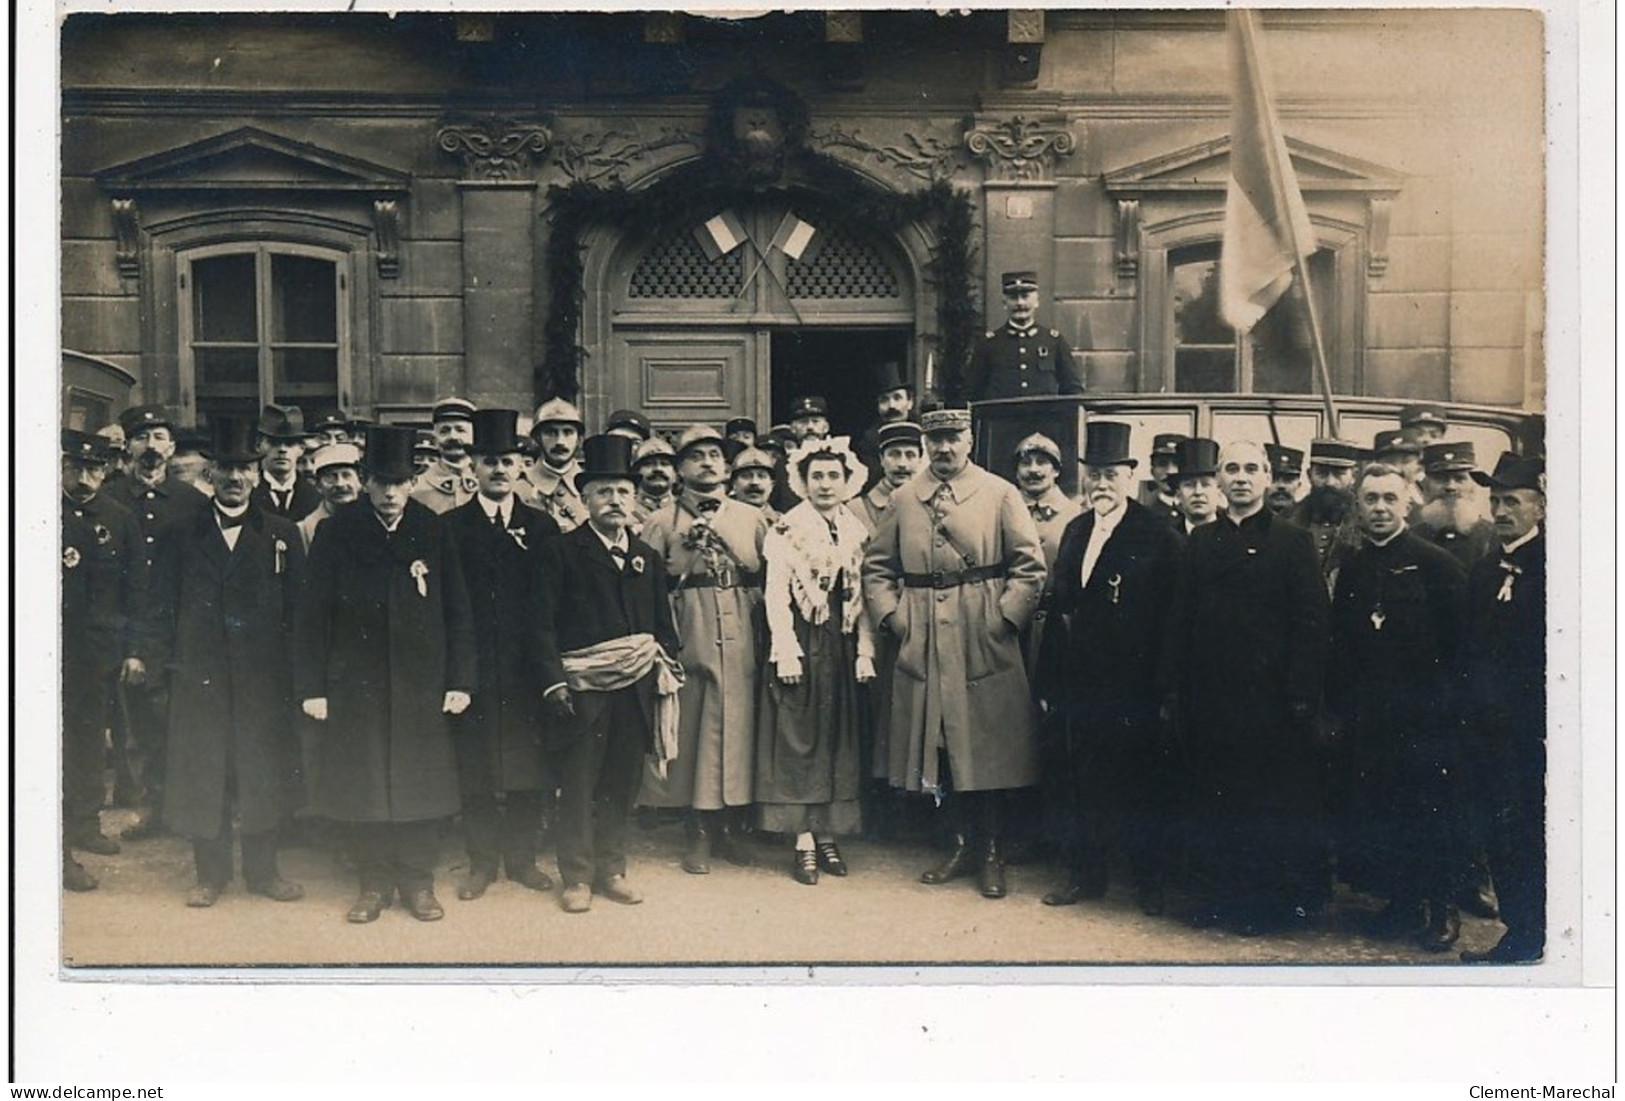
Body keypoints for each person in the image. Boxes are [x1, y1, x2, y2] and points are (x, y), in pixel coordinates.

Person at [861, 406, 1047, 899]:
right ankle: (961, 844)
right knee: (938, 742)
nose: (944, 448)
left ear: (970, 439)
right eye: (936, 438)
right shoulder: (903, 498)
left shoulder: (1000, 492)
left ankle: (991, 852)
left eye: (954, 437)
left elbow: (1029, 565)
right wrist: (894, 618)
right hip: (921, 630)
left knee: (987, 743)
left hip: (981, 628)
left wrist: (1006, 618)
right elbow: (876, 568)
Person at [295, 425, 477, 923]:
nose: (391, 493)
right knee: (365, 784)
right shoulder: (338, 531)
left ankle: (419, 883)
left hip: (422, 682)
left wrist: (461, 679)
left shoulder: (433, 528)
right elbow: (312, 616)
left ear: (413, 479)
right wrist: (312, 687)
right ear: (366, 481)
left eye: (400, 482)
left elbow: (459, 609)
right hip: (356, 683)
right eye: (381, 482)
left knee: (422, 784)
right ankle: (373, 883)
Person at [1161, 440, 1329, 936]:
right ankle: (1220, 899)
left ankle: (1266, 906)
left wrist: (1301, 693)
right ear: (1218, 479)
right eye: (1231, 469)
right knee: (1215, 800)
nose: (1241, 478)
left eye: (1251, 469)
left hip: (1270, 701)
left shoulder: (1293, 541)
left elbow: (1311, 622)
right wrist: (1172, 688)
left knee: (1266, 805)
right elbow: (1180, 618)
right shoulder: (1200, 541)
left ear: (1267, 477)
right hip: (1211, 698)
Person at [143, 415, 307, 908]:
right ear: (209, 475)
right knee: (204, 771)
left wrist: (297, 681)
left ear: (256, 476)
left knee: (262, 772)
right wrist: (161, 669)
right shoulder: (181, 532)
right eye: (226, 469)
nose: (236, 479)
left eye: (245, 470)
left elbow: (298, 614)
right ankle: (209, 875)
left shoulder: (280, 534)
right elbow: (161, 606)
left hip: (263, 680)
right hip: (201, 675)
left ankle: (264, 872)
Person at [1034, 421, 1182, 915]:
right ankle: (1086, 875)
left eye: (1111, 474)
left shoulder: (1156, 532)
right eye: (1094, 474)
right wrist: (1050, 679)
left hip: (1132, 681)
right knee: (1082, 781)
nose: (1102, 484)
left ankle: (1150, 883)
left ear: (1129, 476)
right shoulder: (1076, 529)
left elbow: (1172, 614)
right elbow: (1061, 608)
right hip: (1081, 679)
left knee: (1140, 782)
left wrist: (1162, 685)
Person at [536, 435, 683, 913]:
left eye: (623, 492)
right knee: (578, 784)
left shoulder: (647, 557)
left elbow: (663, 626)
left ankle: (612, 869)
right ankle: (576, 877)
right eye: (603, 492)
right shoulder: (560, 552)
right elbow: (539, 625)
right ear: (585, 499)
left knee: (621, 784)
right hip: (583, 691)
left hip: (635, 692)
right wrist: (554, 681)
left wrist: (663, 666)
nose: (615, 501)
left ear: (635, 498)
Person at [1326, 463, 1469, 952]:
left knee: (1430, 815)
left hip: (1426, 720)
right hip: (1372, 720)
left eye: (1390, 498)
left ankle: (1442, 909)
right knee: (1384, 815)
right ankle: (1403, 903)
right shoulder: (1355, 566)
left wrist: (1448, 714)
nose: (1380, 509)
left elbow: (1460, 650)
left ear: (1407, 502)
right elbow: (1342, 644)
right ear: (1359, 507)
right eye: (1371, 500)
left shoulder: (1437, 564)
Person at [639, 425, 769, 874]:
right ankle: (696, 827)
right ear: (679, 469)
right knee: (694, 721)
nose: (708, 463)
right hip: (689, 619)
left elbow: (767, 574)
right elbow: (646, 584)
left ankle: (731, 825)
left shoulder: (752, 517)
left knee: (738, 720)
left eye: (715, 455)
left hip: (740, 615)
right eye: (696, 457)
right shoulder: (660, 522)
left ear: (727, 466)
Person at [444, 409, 562, 900]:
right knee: (475, 768)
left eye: (507, 461)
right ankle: (481, 862)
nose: (498, 469)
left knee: (526, 767)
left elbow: (552, 603)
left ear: (520, 466)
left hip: (525, 666)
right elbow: (449, 605)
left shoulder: (541, 526)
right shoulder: (450, 526)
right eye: (488, 460)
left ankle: (521, 858)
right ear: (471, 466)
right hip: (471, 665)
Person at [756, 436, 877, 884]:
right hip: (804, 639)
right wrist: (785, 647)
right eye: (817, 476)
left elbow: (860, 596)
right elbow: (775, 595)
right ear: (803, 482)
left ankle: (828, 832)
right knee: (799, 735)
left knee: (836, 735)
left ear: (848, 481)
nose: (825, 484)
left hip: (841, 640)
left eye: (833, 476)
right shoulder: (787, 529)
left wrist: (865, 649)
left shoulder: (855, 529)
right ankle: (802, 838)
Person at [105, 403, 212, 841]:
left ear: (172, 448)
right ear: (128, 446)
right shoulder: (109, 496)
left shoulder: (191, 502)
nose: (152, 447)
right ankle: (150, 808)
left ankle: (186, 810)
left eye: (160, 438)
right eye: (143, 438)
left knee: (184, 722)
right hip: (127, 629)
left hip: (179, 628)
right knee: (139, 727)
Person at [1459, 453, 1546, 964]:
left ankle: (1531, 932)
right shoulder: (1487, 566)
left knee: (1529, 829)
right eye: (1494, 501)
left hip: (1528, 730)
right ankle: (1520, 926)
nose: (1501, 510)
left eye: (1512, 501)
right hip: (1487, 730)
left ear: (1539, 506)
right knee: (1501, 828)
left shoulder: (1552, 567)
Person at [60, 429, 145, 888]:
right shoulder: (39, 510)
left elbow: (136, 592)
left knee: (89, 738)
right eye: (76, 467)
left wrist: (133, 649)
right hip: (48, 648)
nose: (85, 477)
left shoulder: (119, 518)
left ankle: (85, 824)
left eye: (94, 468)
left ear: (107, 469)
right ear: (62, 466)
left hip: (96, 652)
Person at [963, 271, 1083, 402]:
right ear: (1004, 303)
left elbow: (1073, 390)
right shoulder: (988, 344)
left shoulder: (1054, 341)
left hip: (1044, 420)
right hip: (1003, 420)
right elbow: (972, 392)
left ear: (1037, 301)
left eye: (1025, 296)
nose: (1020, 303)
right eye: (1013, 298)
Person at [1287, 438, 1364, 594]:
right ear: (1309, 475)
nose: (1330, 482)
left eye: (1339, 474)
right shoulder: (1287, 520)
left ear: (1353, 475)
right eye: (1321, 473)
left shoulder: (1366, 524)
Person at [1413, 441, 1498, 570]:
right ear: (1426, 487)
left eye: (1459, 479)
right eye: (1441, 479)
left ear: (1472, 487)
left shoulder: (1494, 537)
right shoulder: (1411, 538)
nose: (1450, 487)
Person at [1011, 432, 1081, 568]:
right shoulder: (1004, 511)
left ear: (1056, 471)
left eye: (1041, 462)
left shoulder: (1076, 514)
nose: (1033, 469)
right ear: (1017, 472)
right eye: (1025, 463)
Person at [525, 398, 587, 531]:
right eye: (551, 433)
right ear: (537, 438)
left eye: (568, 432)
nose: (560, 441)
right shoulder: (520, 487)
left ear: (579, 440)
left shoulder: (590, 487)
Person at [250, 404, 321, 521]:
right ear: (258, 446)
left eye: (290, 443)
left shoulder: (316, 497)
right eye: (274, 442)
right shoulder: (247, 495)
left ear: (301, 448)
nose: (282, 449)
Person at [411, 397, 480, 514]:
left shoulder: (487, 483)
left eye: (460, 430)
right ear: (435, 438)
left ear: (474, 436)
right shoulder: (417, 488)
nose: (452, 436)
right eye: (444, 431)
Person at [855, 362, 915, 491]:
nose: (891, 405)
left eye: (897, 398)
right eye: (884, 400)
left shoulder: (923, 435)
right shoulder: (868, 442)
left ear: (910, 403)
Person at [297, 442, 363, 552]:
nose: (340, 484)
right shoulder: (303, 530)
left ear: (360, 481)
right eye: (330, 477)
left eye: (346, 475)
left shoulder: (376, 523)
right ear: (318, 485)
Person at [1166, 436, 1222, 538]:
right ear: (1178, 494)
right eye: (1189, 485)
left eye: (1206, 484)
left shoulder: (1234, 534)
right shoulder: (1167, 537)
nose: (1198, 492)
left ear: (1219, 490)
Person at [629, 436, 678, 534]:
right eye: (649, 464)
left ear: (676, 474)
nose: (658, 469)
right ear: (636, 473)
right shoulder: (626, 509)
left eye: (664, 464)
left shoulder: (684, 510)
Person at [1136, 433, 1187, 529]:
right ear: (1152, 471)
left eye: (1177, 464)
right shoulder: (1141, 516)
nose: (1170, 471)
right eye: (1162, 464)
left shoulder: (1205, 513)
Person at [727, 445, 779, 517]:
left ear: (772, 484)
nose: (754, 482)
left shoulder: (784, 523)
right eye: (746, 476)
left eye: (761, 476)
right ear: (734, 484)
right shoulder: (720, 521)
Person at [1263, 443, 1305, 515]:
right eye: (1274, 478)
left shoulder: (1307, 521)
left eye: (1288, 480)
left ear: (1298, 485)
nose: (1281, 486)